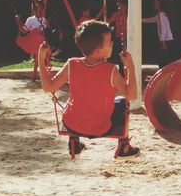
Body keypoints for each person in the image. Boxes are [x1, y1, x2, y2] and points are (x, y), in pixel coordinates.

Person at [37, 20, 140, 159]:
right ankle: (124, 147)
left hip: (72, 124)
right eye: (110, 42)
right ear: (99, 50)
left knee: (72, 100)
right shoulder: (111, 70)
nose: (112, 44)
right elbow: (132, 95)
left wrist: (41, 59)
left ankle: (74, 142)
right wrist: (131, 67)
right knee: (122, 102)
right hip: (101, 127)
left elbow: (48, 87)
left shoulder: (71, 64)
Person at [142, 0, 174, 68]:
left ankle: (166, 76)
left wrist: (162, 41)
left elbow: (163, 28)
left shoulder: (161, 15)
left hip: (165, 40)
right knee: (165, 60)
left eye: (155, 4)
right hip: (167, 39)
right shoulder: (162, 14)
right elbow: (150, 20)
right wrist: (141, 20)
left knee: (163, 61)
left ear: (158, 5)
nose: (154, 6)